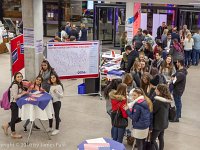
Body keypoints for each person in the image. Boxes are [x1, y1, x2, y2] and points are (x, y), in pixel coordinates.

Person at [2, 72, 29, 139]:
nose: (20, 78)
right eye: (18, 77)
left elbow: (19, 92)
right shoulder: (15, 85)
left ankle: (7, 125)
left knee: (19, 118)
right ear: (15, 78)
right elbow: (15, 96)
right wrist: (22, 94)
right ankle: (13, 133)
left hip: (18, 103)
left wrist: (23, 92)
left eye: (21, 76)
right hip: (14, 103)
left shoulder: (20, 84)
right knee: (14, 118)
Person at [151, 84, 172, 150]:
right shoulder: (167, 100)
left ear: (160, 91)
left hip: (157, 124)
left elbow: (153, 111)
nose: (155, 90)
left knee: (152, 140)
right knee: (161, 138)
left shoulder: (158, 101)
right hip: (164, 123)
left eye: (156, 89)